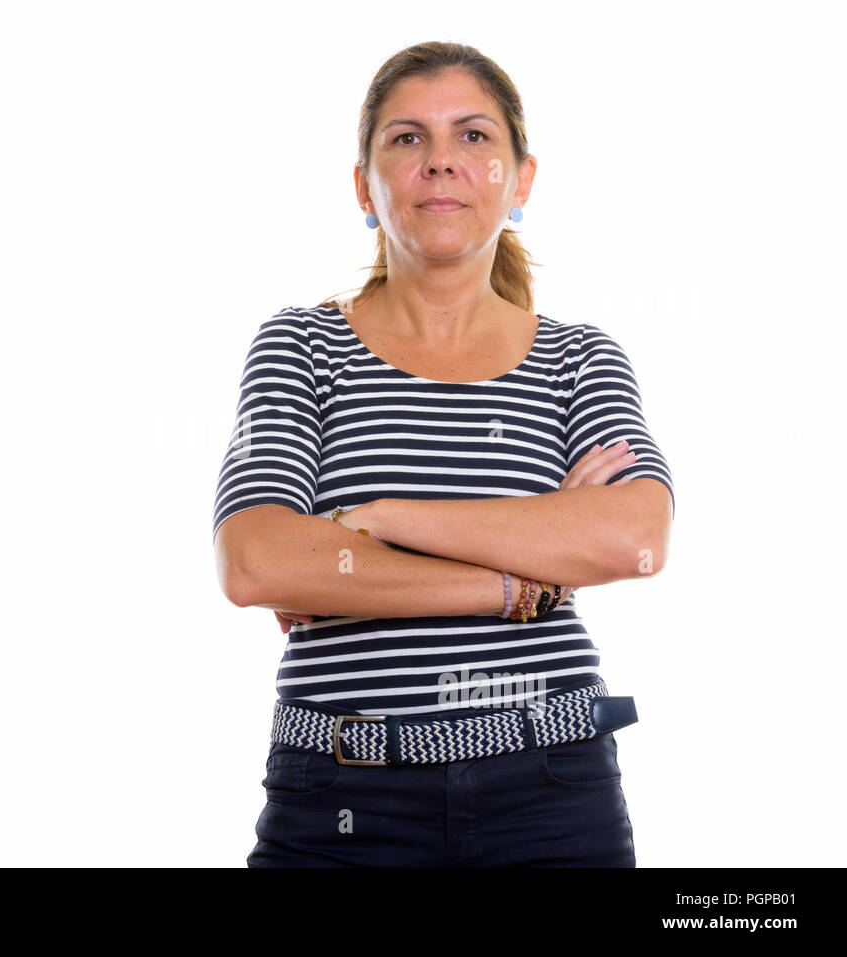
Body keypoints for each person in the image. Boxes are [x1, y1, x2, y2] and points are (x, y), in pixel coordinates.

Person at [211, 41, 675, 868]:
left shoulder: (580, 359)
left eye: (472, 136)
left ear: (520, 180)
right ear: (365, 186)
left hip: (551, 789)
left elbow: (634, 539)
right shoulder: (301, 346)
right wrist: (518, 579)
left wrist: (379, 520)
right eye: (407, 138)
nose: (440, 162)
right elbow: (256, 561)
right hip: (341, 792)